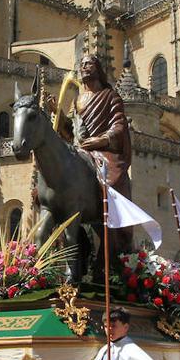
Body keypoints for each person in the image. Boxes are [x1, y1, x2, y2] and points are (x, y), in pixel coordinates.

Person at [74, 54, 133, 257]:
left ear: (98, 69)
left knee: (112, 182)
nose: (84, 67)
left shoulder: (111, 96)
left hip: (105, 151)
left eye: (88, 63)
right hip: (82, 150)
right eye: (81, 64)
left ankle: (116, 232)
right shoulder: (79, 100)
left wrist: (103, 140)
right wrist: (57, 112)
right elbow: (75, 132)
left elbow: (119, 125)